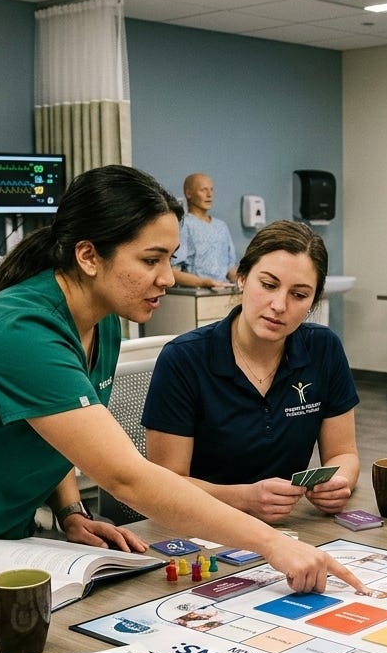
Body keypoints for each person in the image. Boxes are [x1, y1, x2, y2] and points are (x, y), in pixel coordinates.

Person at [0, 166, 365, 597]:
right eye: (151, 260)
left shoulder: (100, 325)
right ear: (88, 256)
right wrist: (273, 544)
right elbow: (127, 478)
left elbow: (55, 430)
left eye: (170, 259)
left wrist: (70, 509)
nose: (167, 278)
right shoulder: (23, 331)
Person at [144, 220, 359, 523]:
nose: (279, 305)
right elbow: (165, 485)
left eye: (299, 295)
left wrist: (338, 483)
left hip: (287, 526)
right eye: (268, 285)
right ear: (242, 278)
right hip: (199, 527)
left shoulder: (324, 349)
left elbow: (344, 454)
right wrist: (244, 499)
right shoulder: (183, 359)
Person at [172, 172, 236, 288]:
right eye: (203, 190)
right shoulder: (184, 225)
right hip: (195, 293)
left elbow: (230, 268)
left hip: (224, 291)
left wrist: (243, 279)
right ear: (188, 193)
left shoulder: (221, 226)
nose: (209, 195)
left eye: (211, 190)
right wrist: (202, 282)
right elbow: (173, 272)